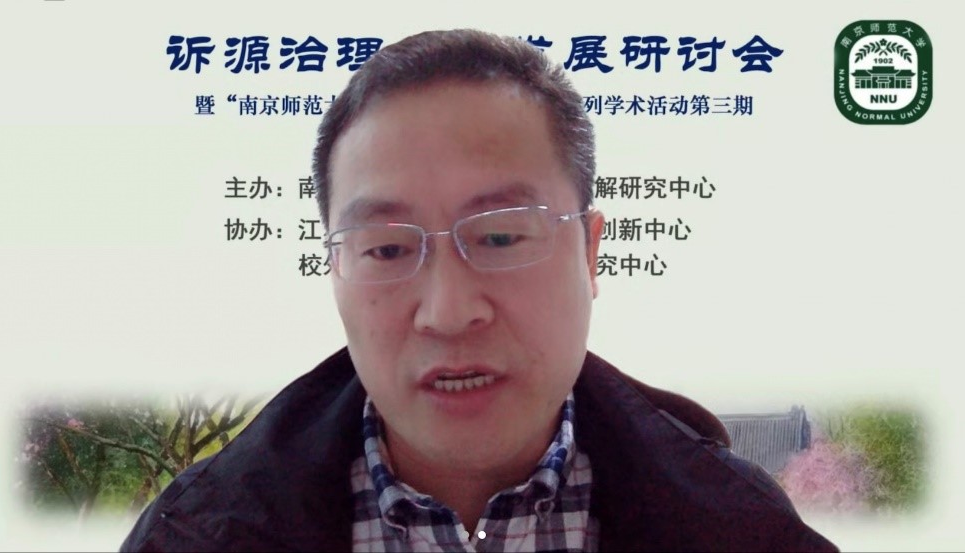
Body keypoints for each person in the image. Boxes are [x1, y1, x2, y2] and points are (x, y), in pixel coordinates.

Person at [121, 29, 836, 552]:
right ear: (336, 266)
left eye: (499, 238)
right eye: (387, 248)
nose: (449, 312)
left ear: (590, 251)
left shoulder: (745, 532)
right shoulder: (193, 536)